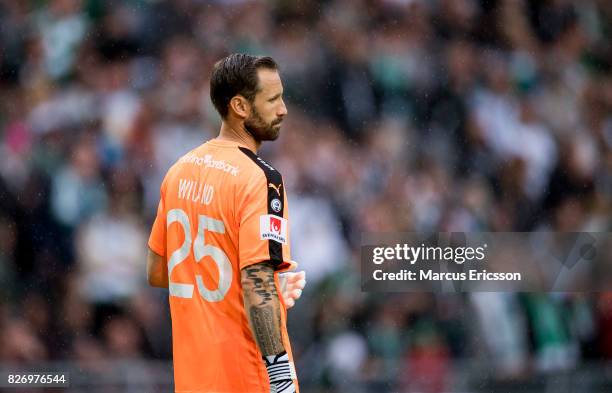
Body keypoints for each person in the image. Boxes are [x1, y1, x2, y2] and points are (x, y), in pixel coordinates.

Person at [146, 54, 305, 393]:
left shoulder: (178, 171)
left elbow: (159, 271)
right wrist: (279, 378)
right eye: (273, 99)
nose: (283, 109)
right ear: (240, 106)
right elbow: (257, 281)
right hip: (246, 378)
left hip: (194, 380)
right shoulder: (261, 179)